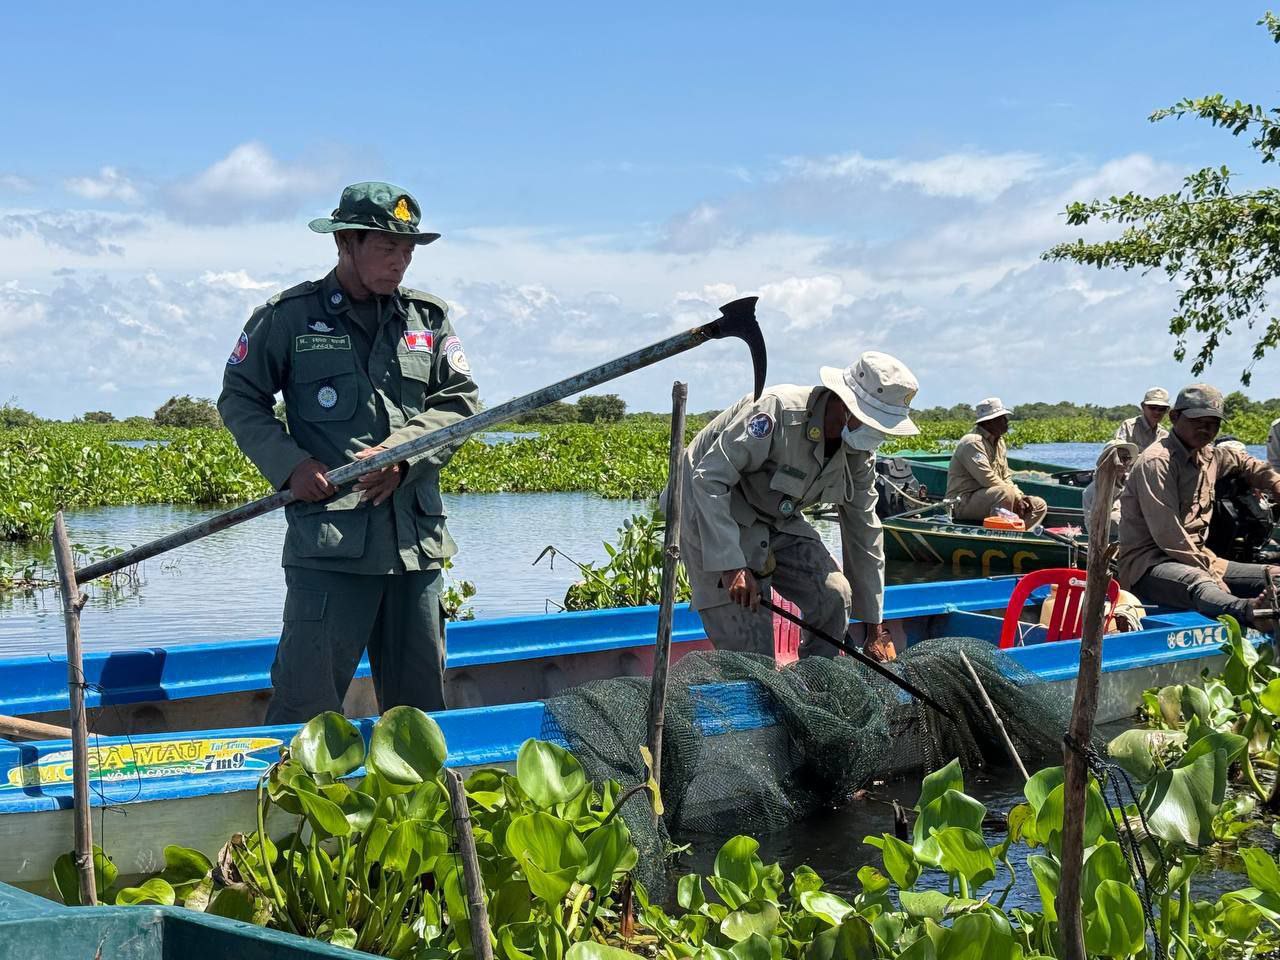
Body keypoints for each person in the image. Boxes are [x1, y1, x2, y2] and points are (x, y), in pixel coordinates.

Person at [218, 182, 480, 724]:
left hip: (416, 548)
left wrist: (404, 457)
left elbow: (460, 404)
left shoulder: (426, 319)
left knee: (420, 717)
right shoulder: (289, 317)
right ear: (346, 244)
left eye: (408, 249)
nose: (400, 261)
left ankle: (423, 808)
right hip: (331, 547)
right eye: (387, 247)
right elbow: (240, 398)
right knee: (305, 709)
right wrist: (291, 464)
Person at [673, 352, 920, 663]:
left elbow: (864, 528)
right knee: (752, 654)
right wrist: (732, 564)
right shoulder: (775, 411)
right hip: (707, 508)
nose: (877, 432)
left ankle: (816, 689)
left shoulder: (858, 449)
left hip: (776, 514)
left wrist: (875, 628)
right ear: (845, 405)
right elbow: (709, 479)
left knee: (835, 594)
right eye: (872, 420)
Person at [1117, 384, 1280, 626]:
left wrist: (1275, 482)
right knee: (1200, 582)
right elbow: (1168, 536)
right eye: (1198, 421)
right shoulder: (1157, 462)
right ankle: (1249, 613)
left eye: (1213, 423)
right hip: (1149, 563)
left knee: (1274, 575)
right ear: (1174, 417)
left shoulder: (1209, 455)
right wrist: (1211, 574)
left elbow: (1245, 463)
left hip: (1201, 557)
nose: (1206, 429)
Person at [945, 398, 1048, 530]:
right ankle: (998, 534)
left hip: (993, 496)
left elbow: (1005, 476)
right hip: (962, 503)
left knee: (1038, 505)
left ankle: (1020, 535)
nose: (1006, 421)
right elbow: (987, 479)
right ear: (988, 422)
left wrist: (1021, 496)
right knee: (1005, 493)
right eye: (1001, 418)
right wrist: (1015, 496)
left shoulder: (999, 442)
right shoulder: (972, 442)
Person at [1080, 439, 1138, 538]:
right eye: (1117, 459)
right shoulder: (1091, 492)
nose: (1121, 463)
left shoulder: (1134, 483)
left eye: (1126, 458)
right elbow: (1093, 528)